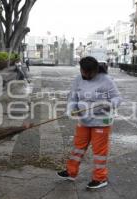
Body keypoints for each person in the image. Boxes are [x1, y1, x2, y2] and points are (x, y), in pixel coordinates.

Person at [57, 56, 122, 189]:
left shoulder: (106, 80)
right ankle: (71, 172)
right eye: (83, 72)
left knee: (99, 152)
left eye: (89, 73)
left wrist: (109, 104)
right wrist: (70, 109)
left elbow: (117, 98)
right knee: (78, 147)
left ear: (96, 70)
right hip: (84, 120)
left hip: (101, 122)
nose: (85, 75)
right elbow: (73, 98)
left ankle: (100, 178)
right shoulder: (78, 80)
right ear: (80, 69)